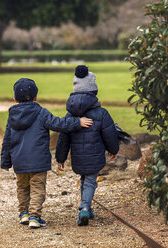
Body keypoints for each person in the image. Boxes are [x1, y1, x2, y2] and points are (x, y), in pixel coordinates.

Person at [0, 78, 93, 228]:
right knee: (37, 188)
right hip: (38, 161)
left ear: (15, 99)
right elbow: (59, 124)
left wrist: (5, 162)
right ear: (36, 96)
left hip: (19, 161)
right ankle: (34, 217)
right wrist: (77, 122)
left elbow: (7, 140)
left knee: (22, 187)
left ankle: (23, 213)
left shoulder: (12, 116)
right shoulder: (41, 113)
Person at [56, 65, 119, 226]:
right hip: (95, 155)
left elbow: (63, 137)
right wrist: (113, 150)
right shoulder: (101, 113)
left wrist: (60, 158)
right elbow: (109, 134)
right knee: (90, 180)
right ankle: (84, 207)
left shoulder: (70, 115)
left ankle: (87, 207)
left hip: (77, 156)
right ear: (93, 91)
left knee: (85, 179)